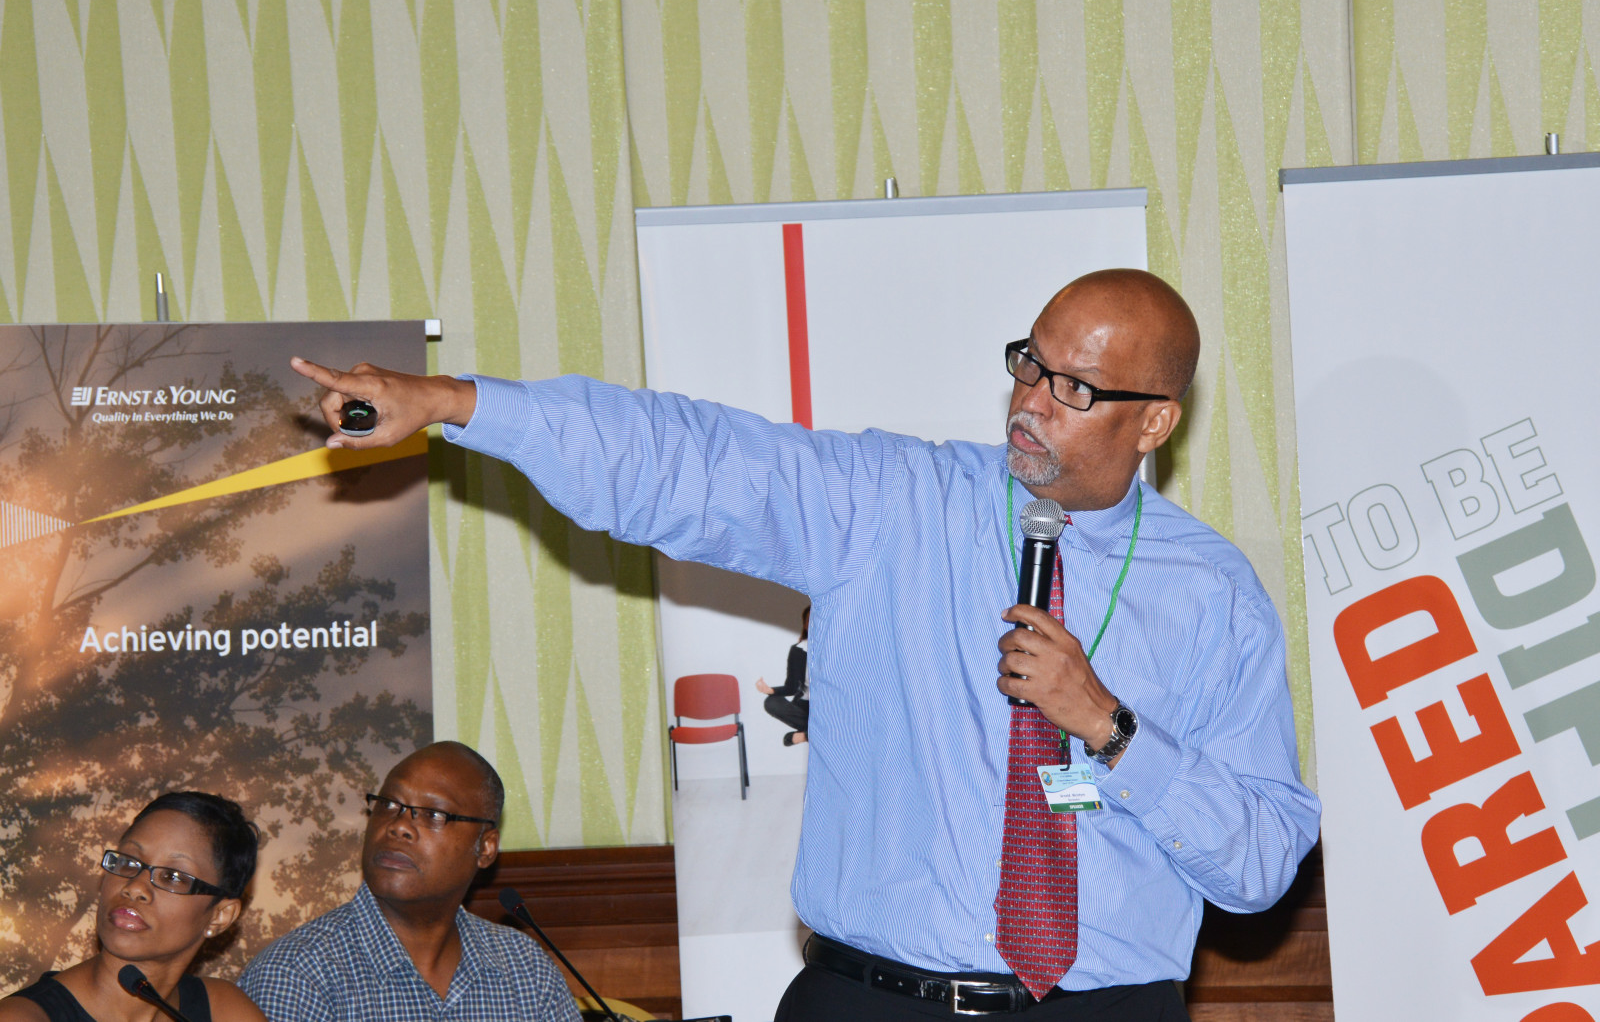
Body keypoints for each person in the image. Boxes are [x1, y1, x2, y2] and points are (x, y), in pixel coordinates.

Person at [290, 269, 1322, 1021]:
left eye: (1075, 390)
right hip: (873, 999)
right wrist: (460, 404)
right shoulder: (895, 503)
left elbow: (1261, 863)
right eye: (1028, 364)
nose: (1030, 404)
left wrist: (1109, 727)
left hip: (1101, 1007)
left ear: (1155, 423)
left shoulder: (1213, 595)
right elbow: (691, 460)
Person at [237, 741, 579, 1022]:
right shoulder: (296, 975)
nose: (399, 825)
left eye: (434, 814)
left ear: (485, 848)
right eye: (389, 804)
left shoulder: (525, 969)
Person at [0, 792, 266, 1022]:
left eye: (172, 876)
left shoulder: (224, 1010)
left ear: (220, 916)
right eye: (128, 862)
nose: (136, 886)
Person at [756, 606, 810, 745]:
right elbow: (792, 687)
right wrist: (770, 690)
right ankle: (814, 733)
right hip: (807, 706)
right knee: (771, 702)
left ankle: (805, 735)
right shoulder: (798, 650)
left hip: (831, 708)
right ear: (805, 625)